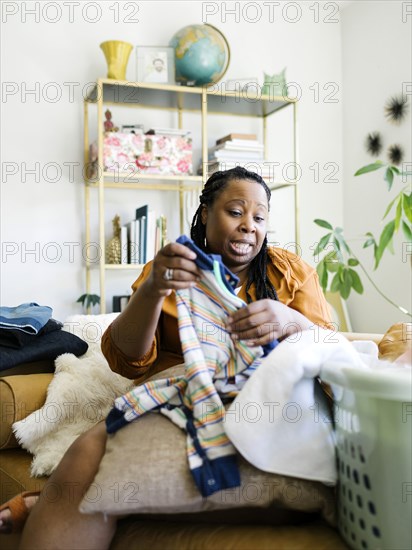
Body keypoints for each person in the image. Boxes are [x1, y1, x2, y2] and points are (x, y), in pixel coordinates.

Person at [0, 167, 333, 548]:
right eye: (236, 212)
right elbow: (126, 359)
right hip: (174, 387)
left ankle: (44, 503)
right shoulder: (170, 271)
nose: (248, 226)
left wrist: (291, 321)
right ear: (205, 213)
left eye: (259, 218)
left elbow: (329, 351)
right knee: (94, 450)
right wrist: (155, 288)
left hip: (266, 390)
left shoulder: (289, 273)